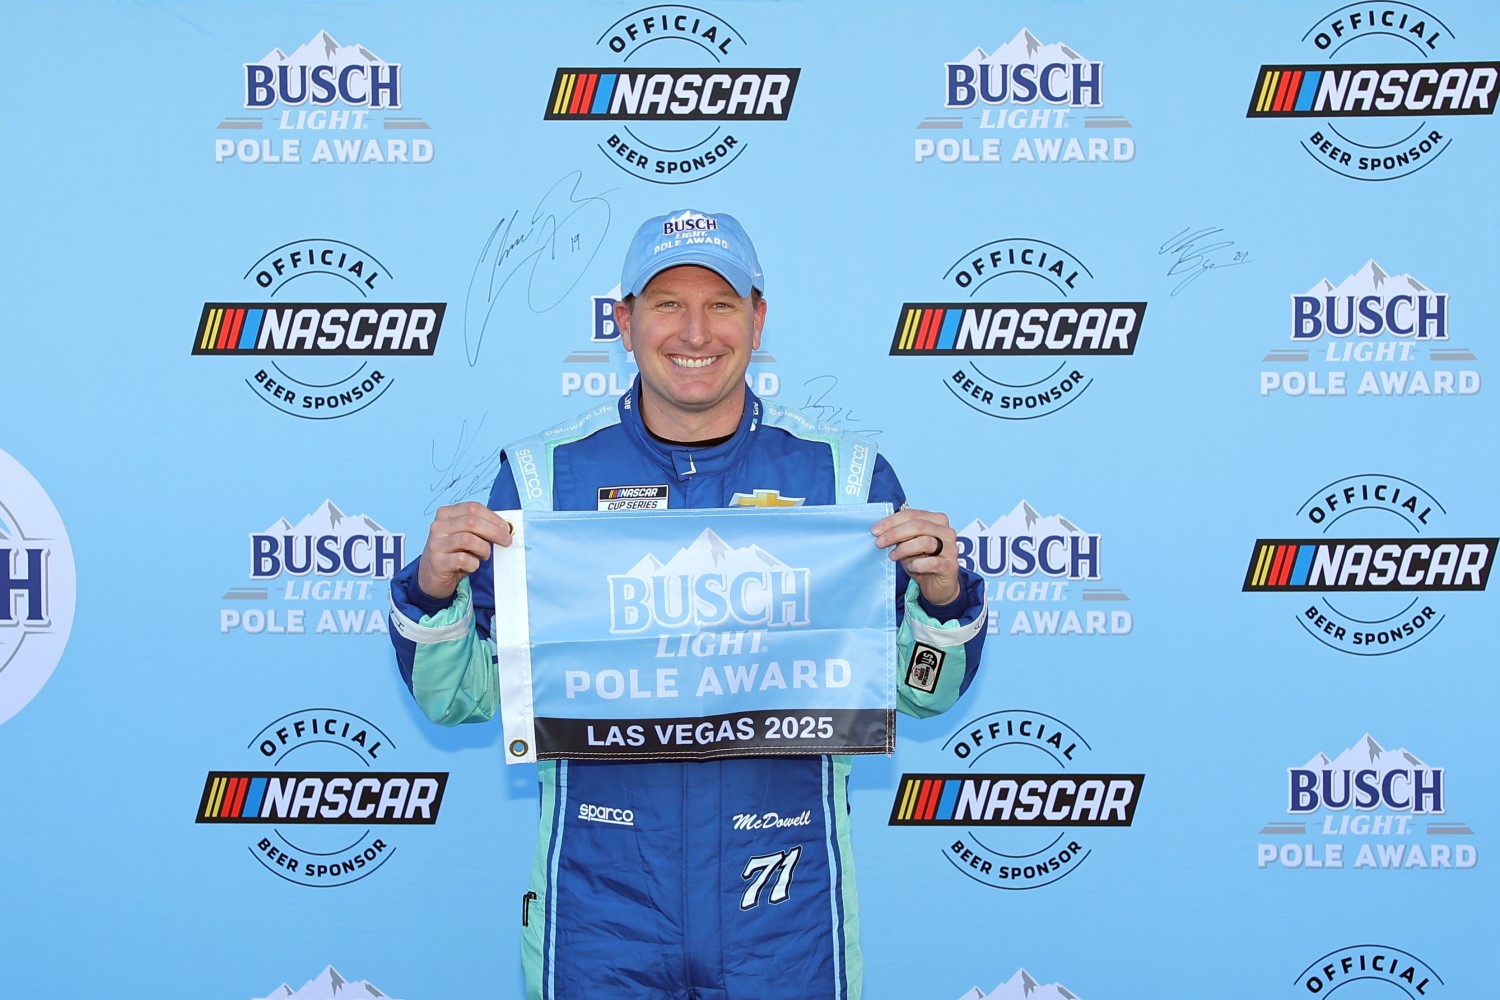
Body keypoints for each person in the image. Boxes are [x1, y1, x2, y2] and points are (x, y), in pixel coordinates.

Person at [388, 209, 988, 1000]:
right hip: (600, 910)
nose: (695, 331)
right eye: (668, 303)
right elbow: (463, 699)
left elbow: (920, 691)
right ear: (624, 320)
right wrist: (434, 591)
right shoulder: (542, 481)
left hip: (785, 908)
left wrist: (943, 602)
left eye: (722, 303)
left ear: (758, 319)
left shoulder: (846, 480)